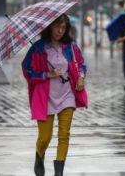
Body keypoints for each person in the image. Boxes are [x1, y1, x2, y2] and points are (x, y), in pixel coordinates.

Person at [22, 14, 88, 176]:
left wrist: (81, 77)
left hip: (67, 95)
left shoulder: (71, 47)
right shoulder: (38, 48)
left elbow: (82, 64)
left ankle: (59, 173)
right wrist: (47, 74)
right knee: (45, 137)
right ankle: (39, 155)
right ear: (49, 27)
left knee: (64, 134)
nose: (60, 31)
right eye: (56, 27)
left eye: (63, 28)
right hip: (46, 98)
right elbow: (27, 71)